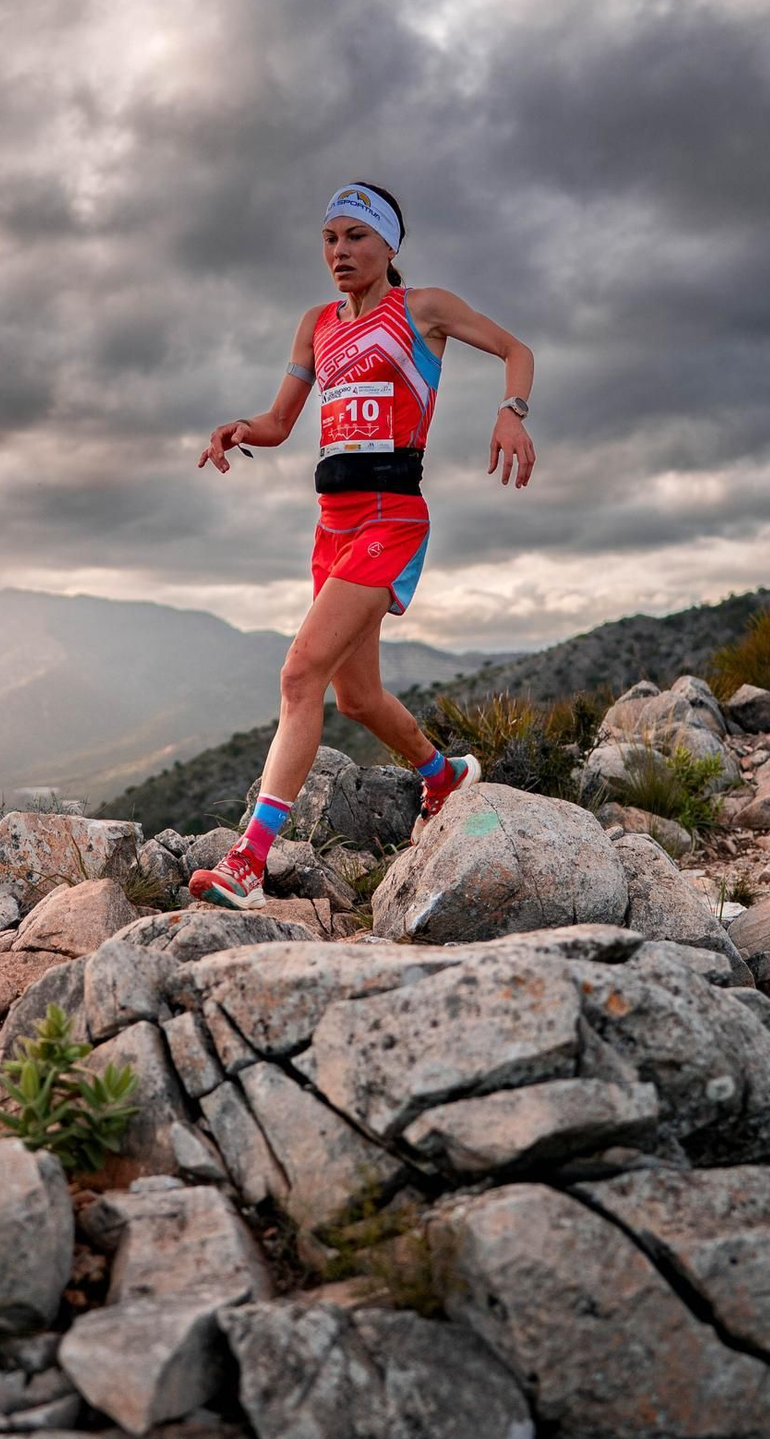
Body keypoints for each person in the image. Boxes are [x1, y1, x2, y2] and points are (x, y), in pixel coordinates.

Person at [189, 179, 536, 909]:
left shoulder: (423, 309)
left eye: (356, 237)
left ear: (389, 245)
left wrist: (511, 412)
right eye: (330, 239)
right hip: (333, 525)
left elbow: (516, 349)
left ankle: (249, 862)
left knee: (299, 674)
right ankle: (443, 776)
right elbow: (281, 422)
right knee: (358, 696)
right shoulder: (315, 325)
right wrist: (241, 428)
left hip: (391, 519)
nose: (339, 252)